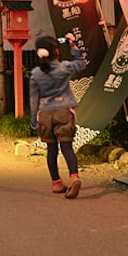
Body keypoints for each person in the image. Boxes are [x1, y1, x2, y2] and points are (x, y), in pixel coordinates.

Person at [30, 33, 86, 198]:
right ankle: (74, 176)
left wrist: (34, 119)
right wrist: (73, 46)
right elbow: (81, 64)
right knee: (67, 147)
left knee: (51, 149)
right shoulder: (64, 67)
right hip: (64, 111)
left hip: (45, 114)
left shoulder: (36, 74)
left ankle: (56, 183)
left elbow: (34, 98)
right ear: (56, 51)